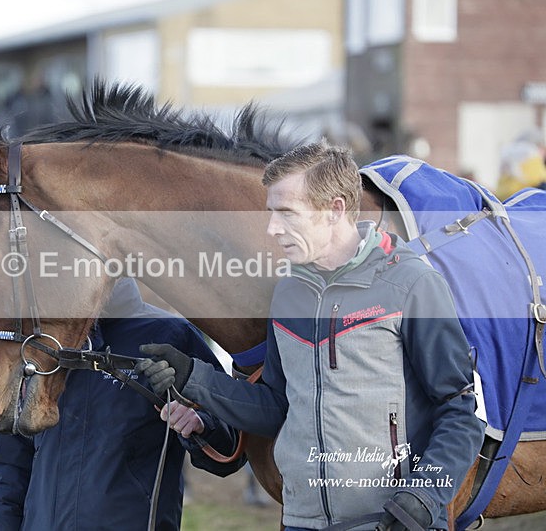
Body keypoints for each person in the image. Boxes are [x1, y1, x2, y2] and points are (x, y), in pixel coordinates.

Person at [137, 140, 485, 530]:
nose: (272, 228)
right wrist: (193, 377)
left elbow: (460, 410)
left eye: (286, 213)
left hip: (389, 521)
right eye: (271, 213)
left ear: (335, 209)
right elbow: (276, 406)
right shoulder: (288, 293)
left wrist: (424, 497)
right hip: (302, 520)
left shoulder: (412, 284)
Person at [0, 278, 245, 530]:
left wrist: (199, 425)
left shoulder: (170, 336)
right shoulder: (35, 344)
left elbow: (230, 446)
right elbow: (8, 465)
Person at [496, 127, 546, 200]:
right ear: (539, 145)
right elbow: (538, 179)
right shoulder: (532, 153)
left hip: (504, 197)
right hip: (524, 197)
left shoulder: (508, 152)